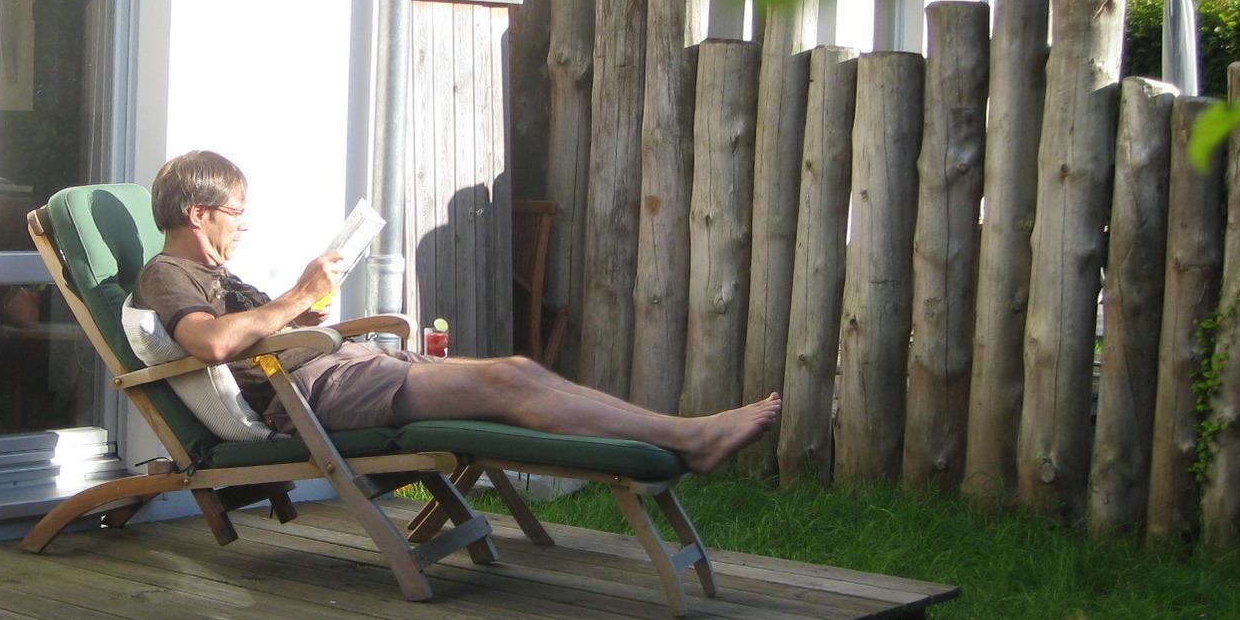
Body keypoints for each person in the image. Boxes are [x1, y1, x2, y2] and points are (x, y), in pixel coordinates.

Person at [132, 150, 781, 474]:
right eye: (236, 214)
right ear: (198, 213)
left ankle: (680, 432)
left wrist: (303, 315)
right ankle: (691, 439)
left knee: (518, 371)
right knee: (505, 385)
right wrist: (299, 296)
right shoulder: (168, 274)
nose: (244, 226)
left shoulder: (218, 274)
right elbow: (211, 344)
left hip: (340, 367)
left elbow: (245, 334)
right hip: (310, 392)